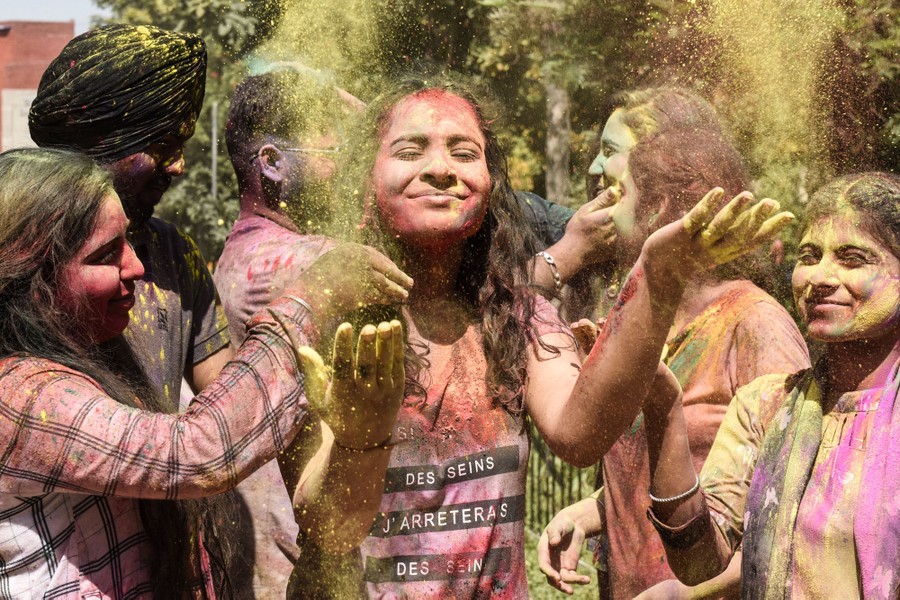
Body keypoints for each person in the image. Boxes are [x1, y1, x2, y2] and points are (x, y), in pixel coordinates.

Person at [325, 74, 791, 598]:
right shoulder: (323, 310)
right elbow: (317, 521)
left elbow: (786, 505)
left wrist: (657, 275)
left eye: (463, 151)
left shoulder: (750, 321)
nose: (440, 168)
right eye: (410, 150)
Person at [0, 147, 406, 599]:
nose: (136, 267)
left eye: (128, 242)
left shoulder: (74, 359)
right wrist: (310, 299)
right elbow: (198, 450)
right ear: (31, 283)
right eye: (105, 254)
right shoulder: (18, 398)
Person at [539, 123, 810, 598]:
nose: (595, 176)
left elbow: (791, 511)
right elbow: (683, 472)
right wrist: (591, 511)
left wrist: (690, 594)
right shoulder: (641, 326)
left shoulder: (754, 324)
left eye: (611, 155)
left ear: (664, 201)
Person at [636, 172, 900, 599]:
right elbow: (700, 564)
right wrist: (664, 410)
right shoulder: (765, 405)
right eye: (809, 256)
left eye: (852, 258)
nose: (821, 277)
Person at [215, 68, 414, 598]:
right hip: (300, 569)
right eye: (335, 154)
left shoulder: (245, 251)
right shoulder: (312, 262)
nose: (351, 168)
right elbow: (447, 302)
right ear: (274, 163)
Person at [29, 23, 233, 409]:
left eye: (182, 145)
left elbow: (230, 417)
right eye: (162, 145)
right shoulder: (24, 258)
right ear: (98, 142)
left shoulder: (174, 253)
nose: (178, 166)